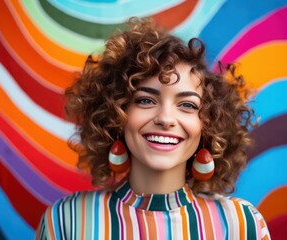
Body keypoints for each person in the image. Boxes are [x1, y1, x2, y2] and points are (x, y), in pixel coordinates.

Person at [35, 18, 270, 239]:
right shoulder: (67, 221)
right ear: (116, 115)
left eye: (187, 105)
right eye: (146, 100)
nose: (166, 118)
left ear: (208, 126)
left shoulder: (241, 224)